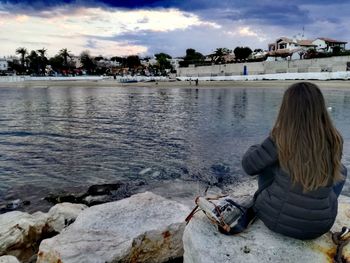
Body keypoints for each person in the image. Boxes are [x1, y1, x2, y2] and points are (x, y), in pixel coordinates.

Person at [242, 82, 347, 240]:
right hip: (320, 225)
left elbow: (249, 166)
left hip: (275, 219)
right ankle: (315, 207)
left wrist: (257, 147)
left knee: (268, 164)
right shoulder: (334, 138)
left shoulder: (281, 136)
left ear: (287, 109)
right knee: (341, 170)